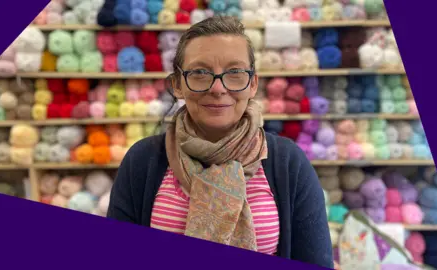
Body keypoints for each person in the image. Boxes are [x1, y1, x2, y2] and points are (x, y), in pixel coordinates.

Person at [107, 16, 333, 268]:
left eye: (234, 73)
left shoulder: (288, 162)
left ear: (253, 84)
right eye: (200, 73)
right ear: (177, 85)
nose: (217, 88)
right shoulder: (143, 160)